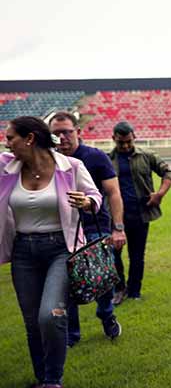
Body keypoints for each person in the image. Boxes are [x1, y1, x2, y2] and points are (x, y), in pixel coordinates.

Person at [1, 116, 102, 388]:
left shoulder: (71, 167)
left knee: (50, 315)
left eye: (11, 138)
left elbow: (96, 196)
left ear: (29, 138)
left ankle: (54, 380)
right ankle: (42, 377)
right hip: (23, 251)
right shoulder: (6, 167)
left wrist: (87, 201)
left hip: (61, 248)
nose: (7, 143)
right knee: (32, 320)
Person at [48, 112, 125, 347]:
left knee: (99, 279)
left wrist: (118, 228)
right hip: (63, 230)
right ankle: (72, 334)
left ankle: (106, 315)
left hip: (95, 228)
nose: (62, 137)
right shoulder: (48, 160)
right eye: (56, 133)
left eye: (67, 132)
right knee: (67, 283)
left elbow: (113, 193)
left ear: (78, 131)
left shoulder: (95, 157)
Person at [108, 122, 171, 303]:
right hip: (115, 216)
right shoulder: (107, 159)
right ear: (113, 138)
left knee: (137, 255)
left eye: (129, 141)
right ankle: (119, 289)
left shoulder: (146, 156)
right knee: (114, 255)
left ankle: (134, 290)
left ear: (134, 137)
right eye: (121, 143)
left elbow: (168, 173)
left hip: (140, 213)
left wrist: (159, 194)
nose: (126, 146)